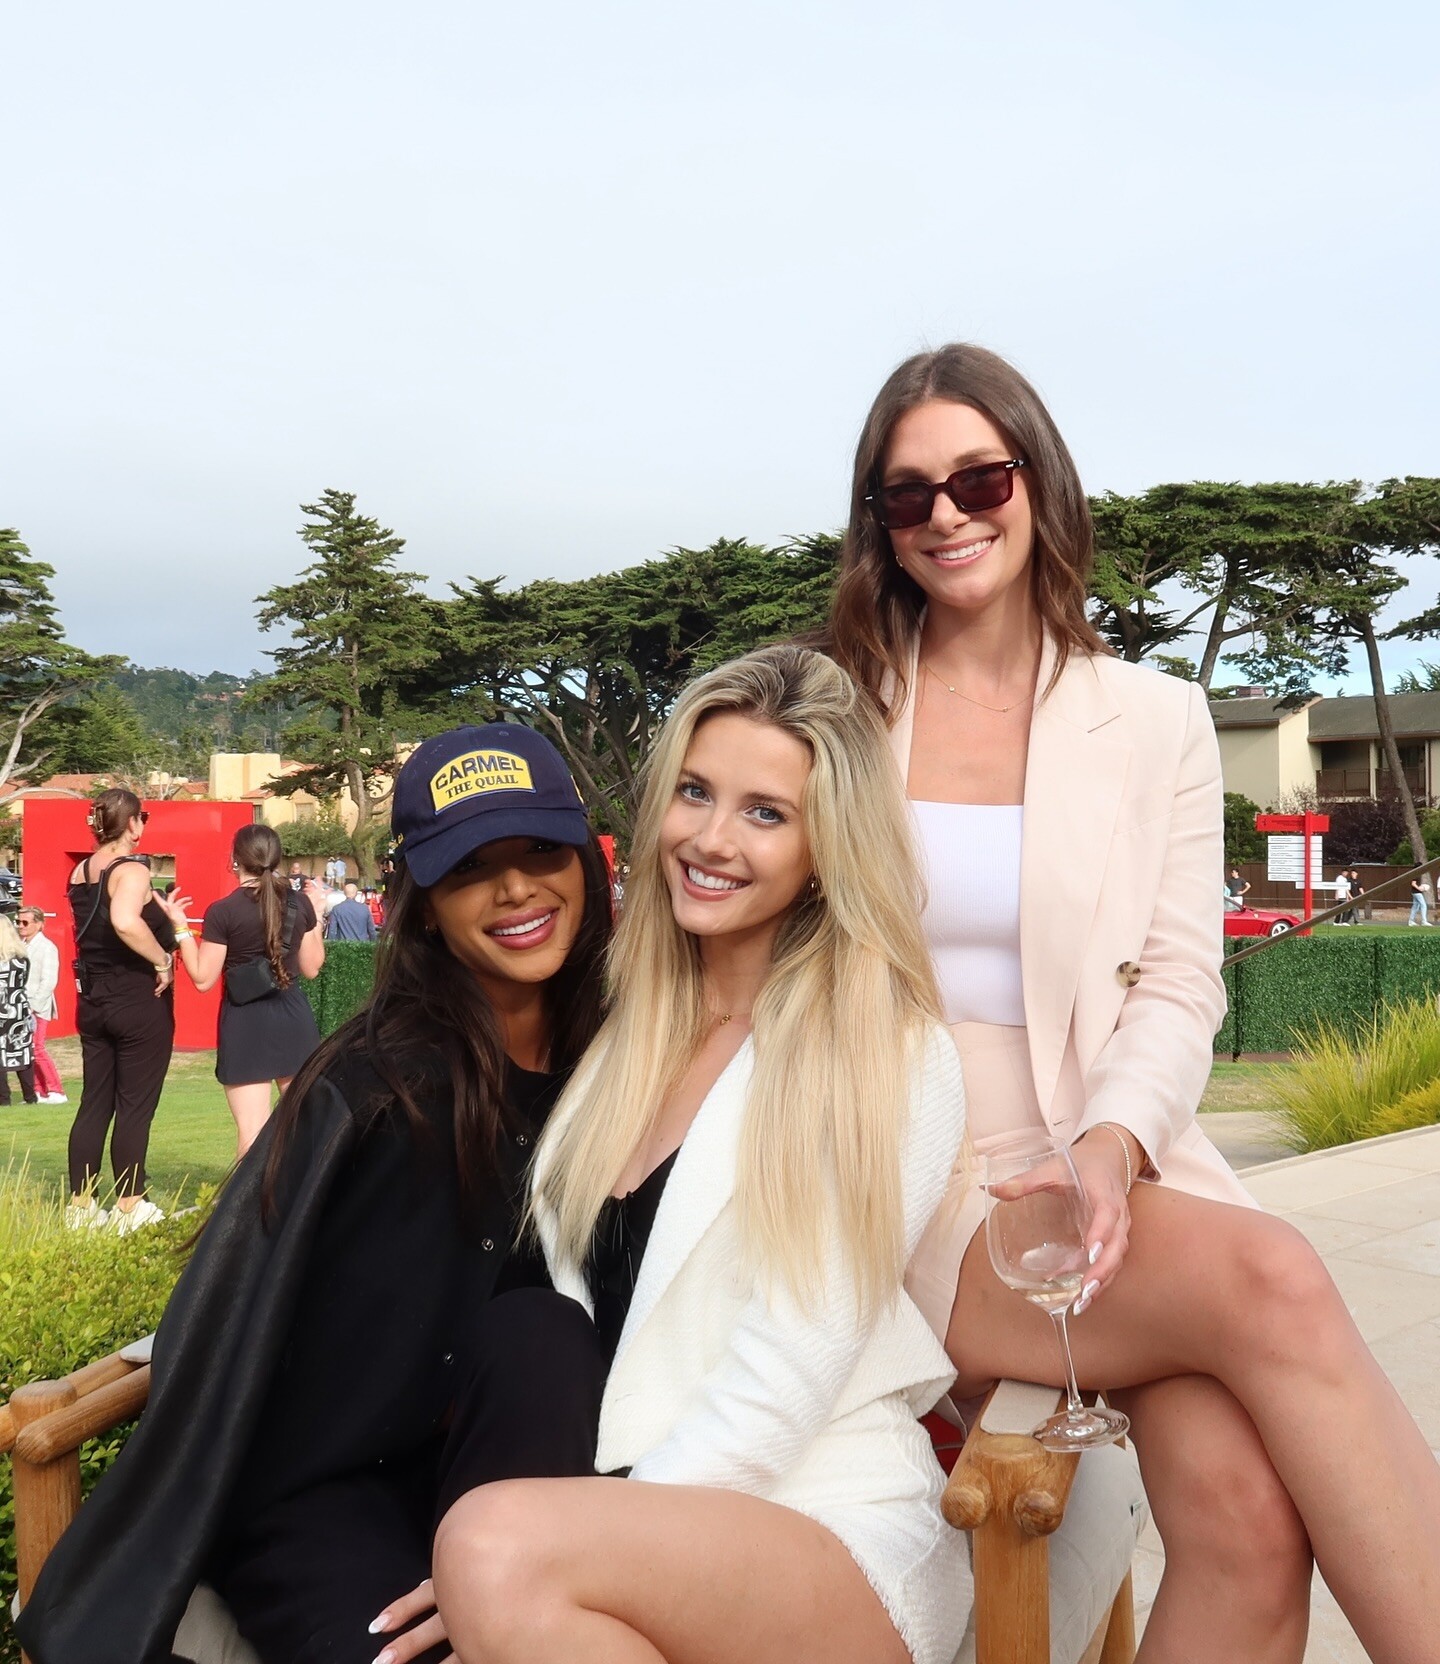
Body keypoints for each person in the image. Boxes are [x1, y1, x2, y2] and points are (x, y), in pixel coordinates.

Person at [821, 342, 1440, 1663]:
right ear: (878, 521)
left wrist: (1115, 1140)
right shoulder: (833, 714)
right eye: (907, 492)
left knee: (1246, 1522)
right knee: (1275, 1271)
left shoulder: (1155, 717)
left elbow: (1178, 974)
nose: (946, 514)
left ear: (1037, 480)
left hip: (1112, 1165)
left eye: (979, 478)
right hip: (917, 1182)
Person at [402, 648, 970, 1664]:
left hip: (826, 1519)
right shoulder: (626, 1035)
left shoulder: (885, 1049)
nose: (710, 839)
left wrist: (567, 1536)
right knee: (491, 1553)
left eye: (766, 812)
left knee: (488, 1546)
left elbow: (785, 1375)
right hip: (627, 1522)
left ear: (827, 846)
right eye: (695, 792)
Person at [17, 723, 615, 1664]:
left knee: (544, 1330)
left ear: (584, 861)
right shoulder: (376, 1090)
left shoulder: (620, 1067)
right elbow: (236, 1314)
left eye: (541, 849)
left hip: (506, 1474)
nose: (514, 889)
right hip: (325, 1492)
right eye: (469, 867)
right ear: (424, 906)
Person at [160, 824, 328, 1157]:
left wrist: (180, 927)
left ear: (236, 859)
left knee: (252, 1136)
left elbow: (203, 978)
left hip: (246, 1022)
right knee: (305, 1130)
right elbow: (311, 968)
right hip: (294, 1018)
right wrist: (318, 915)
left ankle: (251, 1195)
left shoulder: (224, 911)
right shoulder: (299, 904)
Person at [65, 788, 175, 1232]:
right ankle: (130, 1205)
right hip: (136, 997)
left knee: (94, 1102)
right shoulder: (131, 869)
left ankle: (81, 1206)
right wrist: (162, 960)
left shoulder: (81, 871)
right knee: (134, 1105)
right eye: (142, 817)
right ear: (132, 823)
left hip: (93, 999)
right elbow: (125, 921)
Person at [16, 906, 65, 1103]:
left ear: (38, 924)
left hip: (38, 1006)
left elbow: (49, 981)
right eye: (18, 922)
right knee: (27, 1049)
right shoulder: (21, 945)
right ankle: (38, 1090)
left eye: (25, 922)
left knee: (37, 1047)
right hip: (21, 1005)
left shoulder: (47, 947)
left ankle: (56, 1090)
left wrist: (34, 1005)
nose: (20, 926)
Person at [0, 912, 37, 1106]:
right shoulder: (22, 959)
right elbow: (24, 981)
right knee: (23, 1049)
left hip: (2, 1008)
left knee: (1, 1053)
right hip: (19, 1008)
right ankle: (30, 1096)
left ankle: (3, 1099)